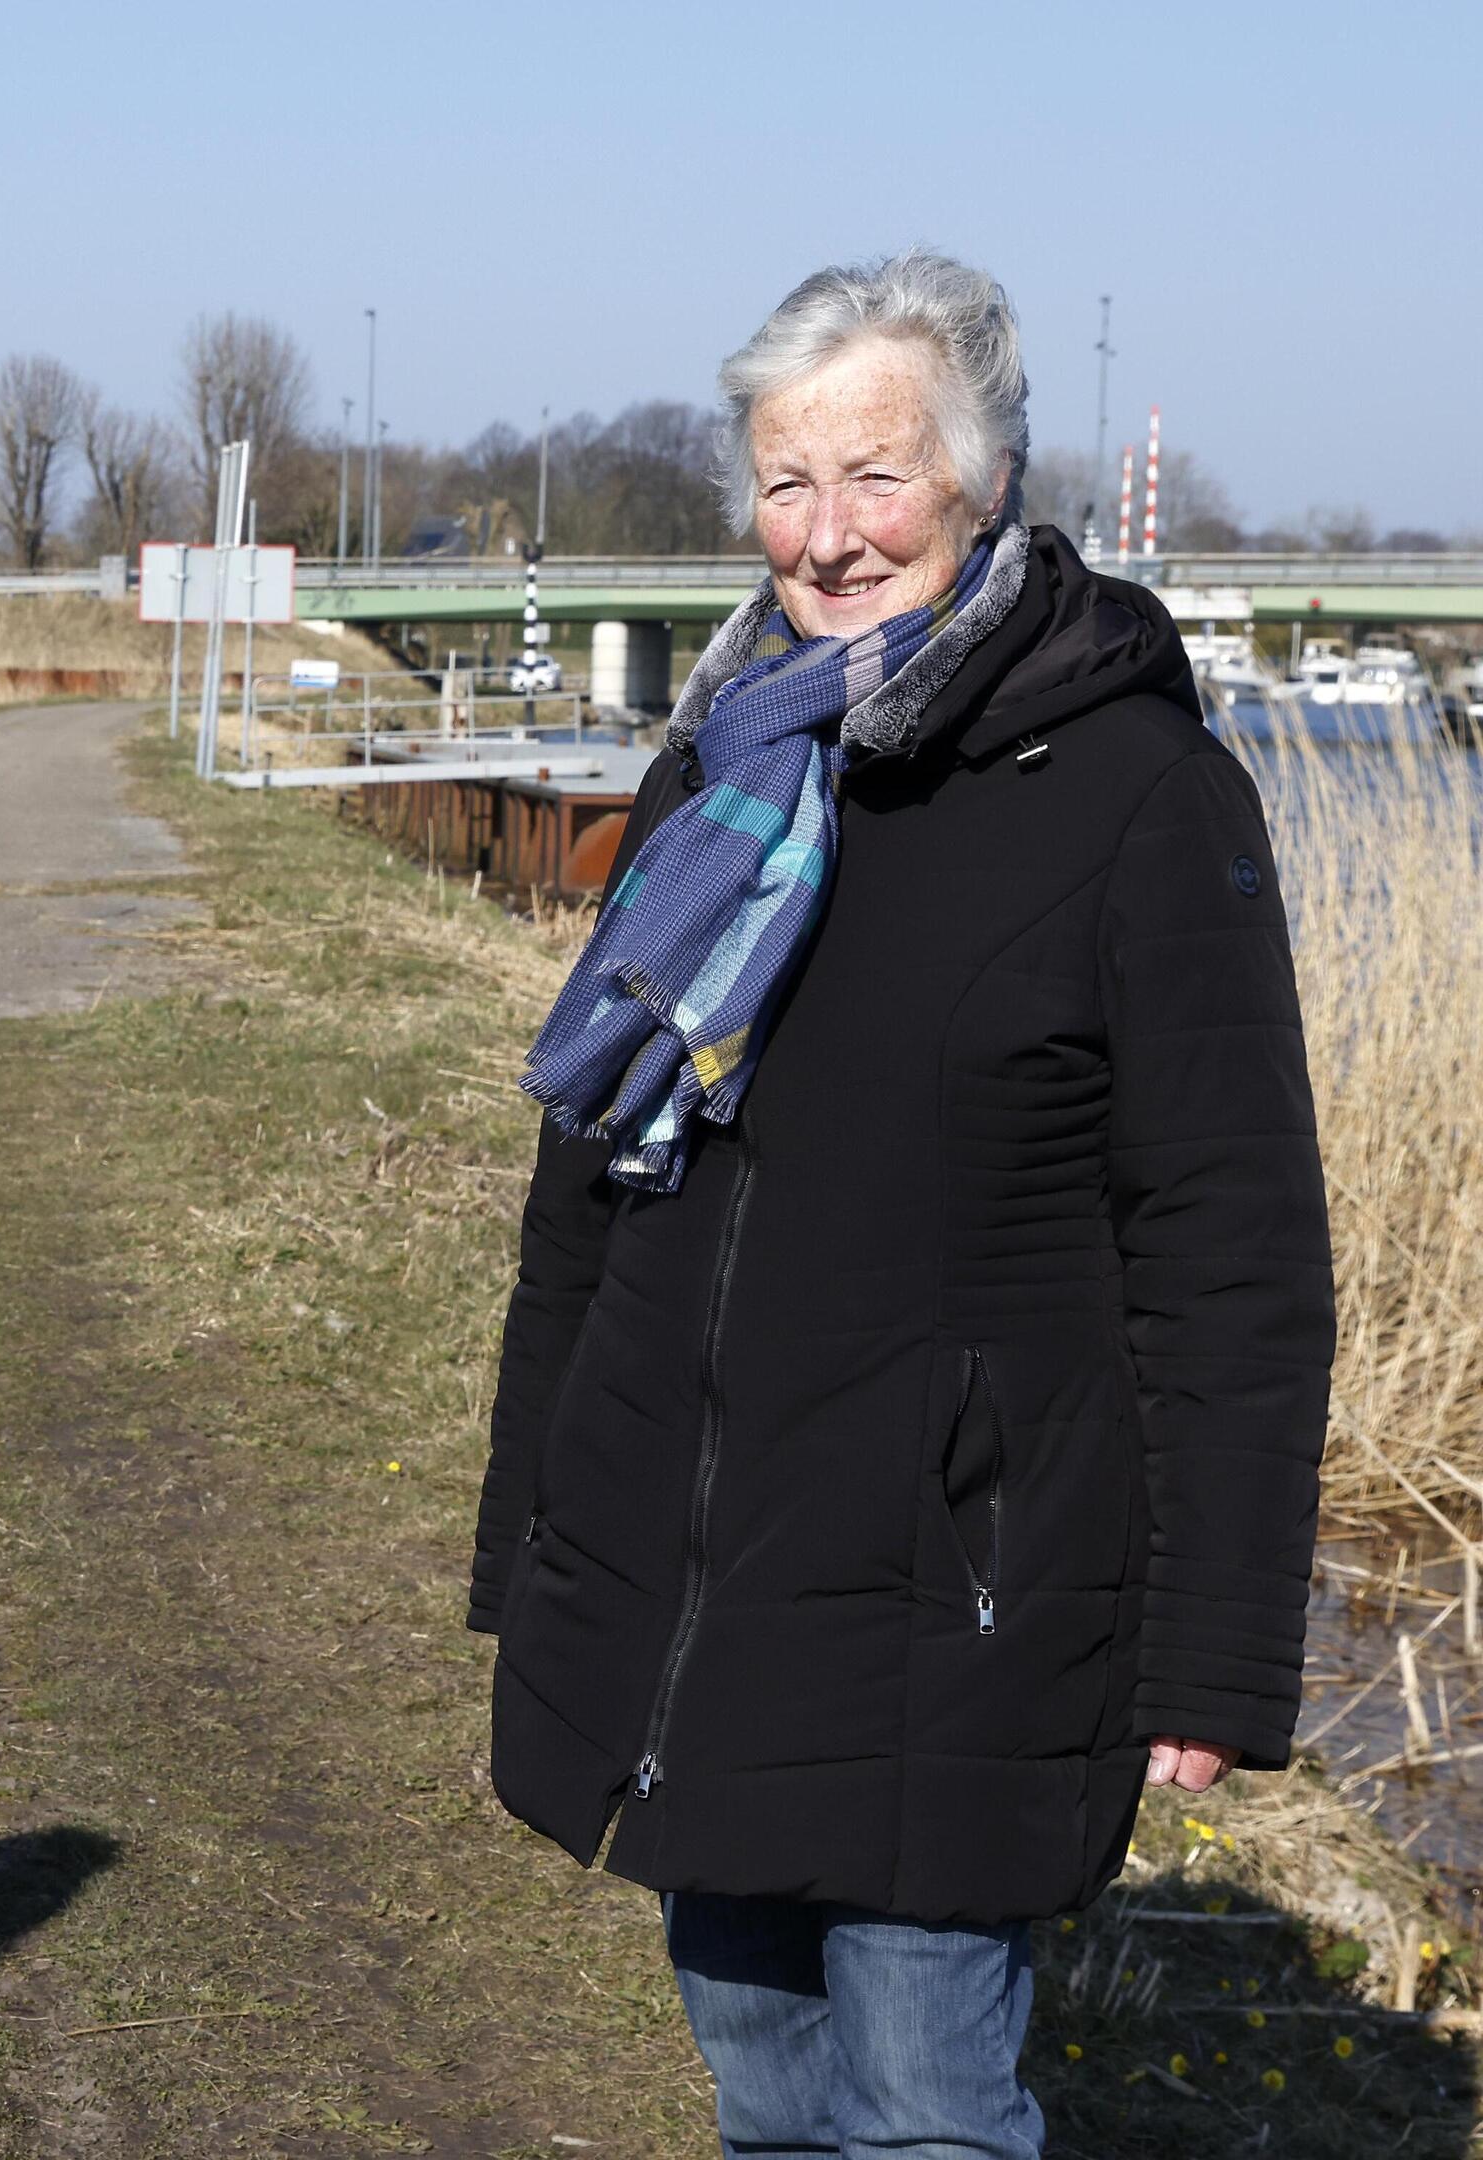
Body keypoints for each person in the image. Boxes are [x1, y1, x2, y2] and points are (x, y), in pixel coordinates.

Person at [468, 249, 1331, 2157]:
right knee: (764, 2093)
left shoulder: (1133, 792)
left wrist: (1214, 1642)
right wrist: (538, 1525)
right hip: (705, 1559)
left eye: (876, 478)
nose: (828, 534)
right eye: (788, 480)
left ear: (981, 482)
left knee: (930, 2112)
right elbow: (594, 1193)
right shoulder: (718, 768)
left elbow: (1233, 1252)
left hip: (966, 1580)